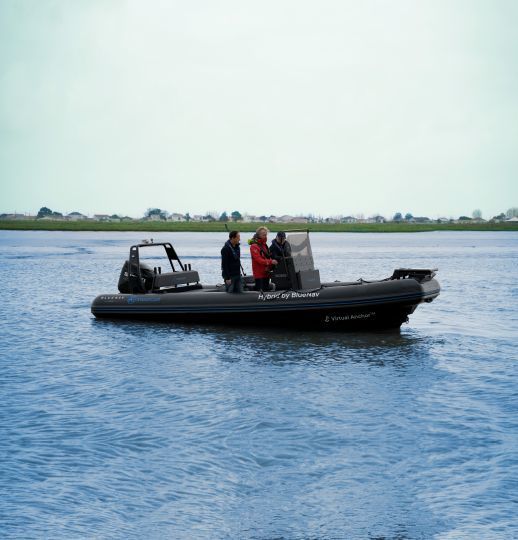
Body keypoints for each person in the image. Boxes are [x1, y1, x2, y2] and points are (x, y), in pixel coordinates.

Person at [248, 226, 278, 291]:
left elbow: (268, 257)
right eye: (263, 235)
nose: (265, 236)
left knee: (266, 290)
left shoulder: (264, 245)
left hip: (266, 273)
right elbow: (259, 260)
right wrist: (271, 261)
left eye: (266, 234)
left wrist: (272, 263)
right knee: (260, 292)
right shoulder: (254, 246)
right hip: (259, 274)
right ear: (258, 235)